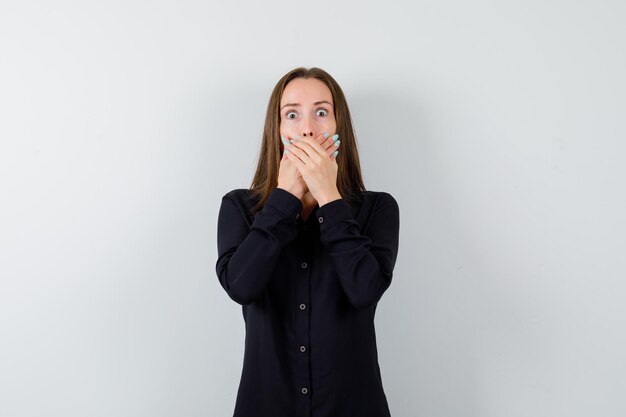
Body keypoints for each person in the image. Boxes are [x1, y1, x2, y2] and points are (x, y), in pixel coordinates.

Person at [215, 67, 400, 417]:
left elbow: (365, 290)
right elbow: (241, 286)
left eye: (321, 112)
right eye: (292, 114)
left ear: (337, 125)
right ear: (278, 130)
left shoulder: (378, 208)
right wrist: (285, 197)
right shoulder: (239, 207)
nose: (307, 128)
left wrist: (329, 196)